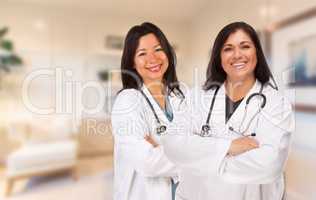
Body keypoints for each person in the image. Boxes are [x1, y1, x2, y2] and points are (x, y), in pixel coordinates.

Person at [160, 21, 294, 200]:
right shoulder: (197, 97)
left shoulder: (276, 104)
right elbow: (172, 144)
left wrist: (197, 156)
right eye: (228, 49)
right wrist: (228, 147)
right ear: (219, 57)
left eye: (245, 46)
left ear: (257, 53)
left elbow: (269, 165)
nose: (237, 55)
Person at [111, 22, 188, 200]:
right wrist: (195, 156)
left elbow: (201, 140)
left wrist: (160, 148)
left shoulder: (181, 96)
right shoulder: (127, 101)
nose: (152, 59)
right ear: (132, 62)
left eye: (158, 49)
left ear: (167, 52)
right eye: (142, 53)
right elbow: (147, 162)